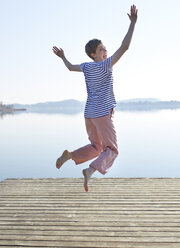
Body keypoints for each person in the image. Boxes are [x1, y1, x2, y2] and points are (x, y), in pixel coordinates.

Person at [52, 5, 138, 192]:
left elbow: (69, 67)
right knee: (112, 150)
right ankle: (90, 170)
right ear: (93, 55)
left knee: (96, 146)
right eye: (101, 50)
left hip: (89, 114)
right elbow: (125, 47)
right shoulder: (106, 65)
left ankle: (70, 155)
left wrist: (63, 57)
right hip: (101, 114)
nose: (105, 52)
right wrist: (132, 24)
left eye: (105, 49)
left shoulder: (86, 67)